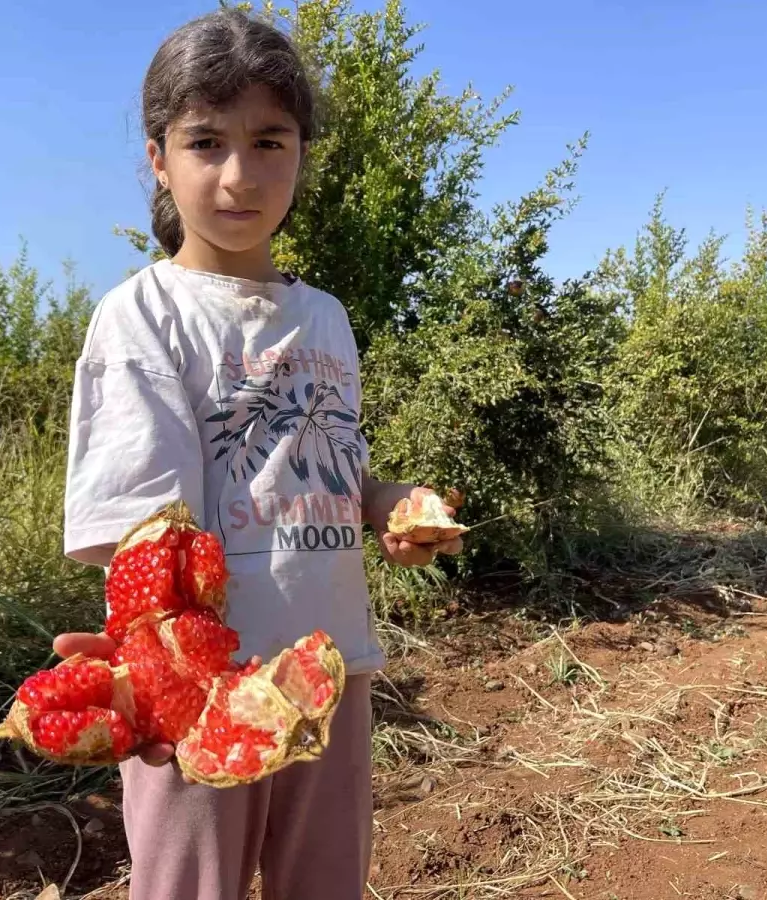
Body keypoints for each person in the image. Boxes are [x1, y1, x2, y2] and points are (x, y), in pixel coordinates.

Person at [53, 9, 463, 900]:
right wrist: (159, 672)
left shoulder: (325, 319)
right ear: (158, 158)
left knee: (327, 884)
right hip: (201, 683)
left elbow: (323, 467)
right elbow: (149, 535)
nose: (239, 175)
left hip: (330, 666)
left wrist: (388, 501)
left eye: (270, 141)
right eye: (206, 142)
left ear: (301, 154)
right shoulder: (144, 317)